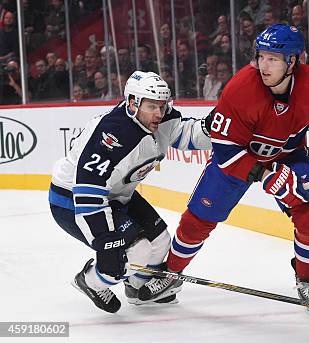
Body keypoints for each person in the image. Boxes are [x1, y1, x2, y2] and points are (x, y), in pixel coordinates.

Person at [145, 24, 309, 308]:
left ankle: (307, 281)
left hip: (288, 154)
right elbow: (226, 151)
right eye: (261, 56)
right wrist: (264, 174)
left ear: (293, 61)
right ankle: (172, 272)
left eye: (273, 58)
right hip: (239, 158)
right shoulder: (239, 90)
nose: (264, 65)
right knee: (198, 218)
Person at [48, 71, 212, 313]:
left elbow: (185, 134)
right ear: (133, 103)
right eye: (152, 106)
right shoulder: (111, 136)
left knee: (160, 241)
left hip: (117, 194)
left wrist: (214, 128)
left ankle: (136, 289)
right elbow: (87, 192)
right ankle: (90, 280)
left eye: (162, 105)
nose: (159, 113)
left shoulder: (160, 118)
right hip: (71, 200)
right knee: (137, 250)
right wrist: (104, 240)